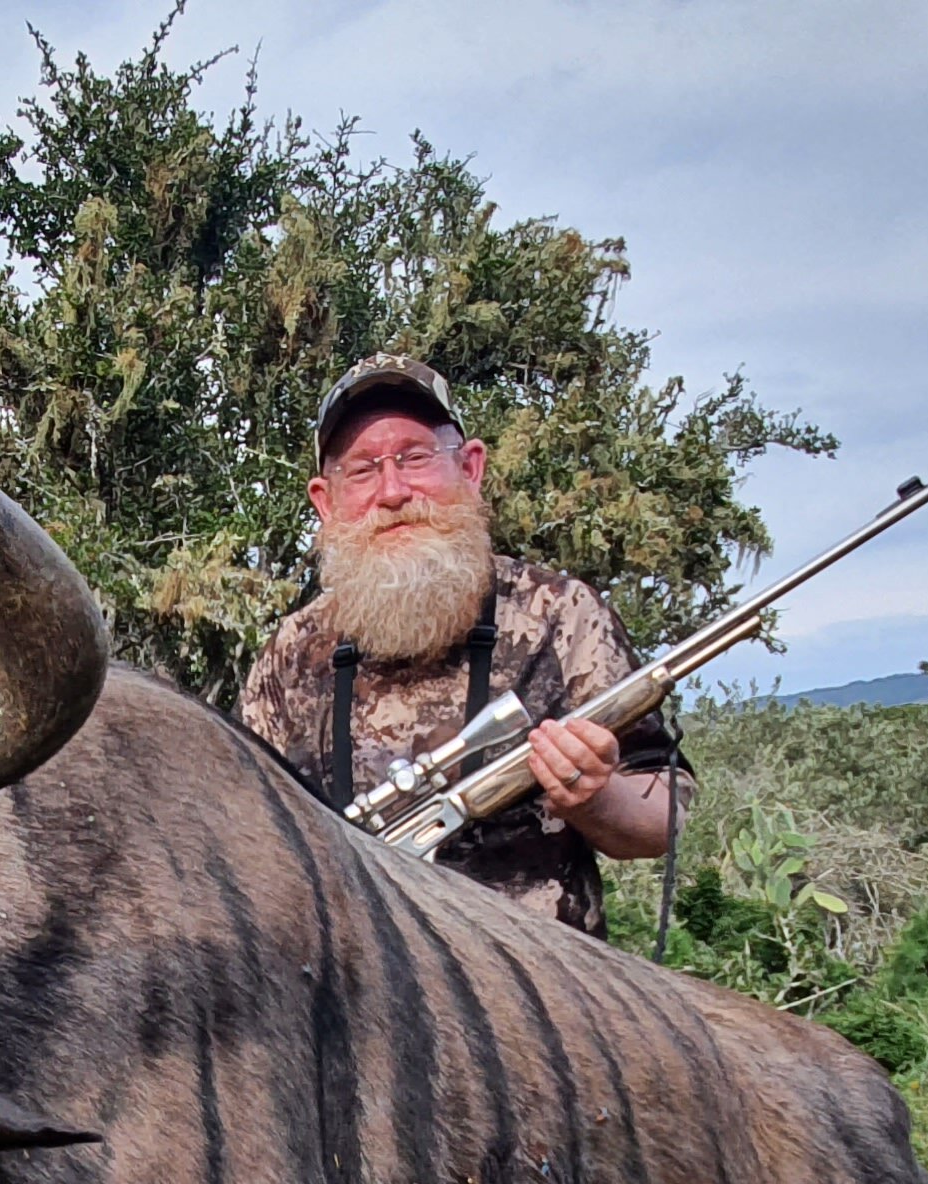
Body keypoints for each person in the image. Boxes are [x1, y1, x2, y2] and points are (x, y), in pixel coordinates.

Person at [236, 355, 680, 934]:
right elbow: (249, 846)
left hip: (540, 999)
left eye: (416, 458)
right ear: (325, 501)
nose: (393, 492)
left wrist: (594, 800)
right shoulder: (292, 656)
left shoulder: (560, 615)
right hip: (353, 1004)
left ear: (469, 468)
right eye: (363, 470)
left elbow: (660, 815)